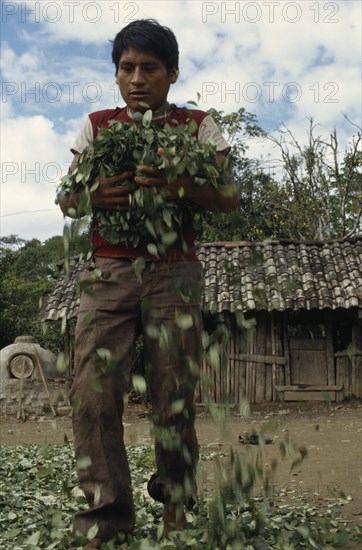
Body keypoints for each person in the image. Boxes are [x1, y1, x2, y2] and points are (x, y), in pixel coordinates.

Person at [58, 18, 239, 548]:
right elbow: (66, 199)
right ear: (116, 75)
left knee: (174, 394)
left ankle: (176, 506)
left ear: (172, 73)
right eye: (126, 68)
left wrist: (181, 185)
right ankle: (106, 519)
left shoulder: (199, 126)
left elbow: (228, 197)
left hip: (174, 272)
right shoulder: (96, 126)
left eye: (149, 68)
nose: (137, 78)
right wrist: (91, 198)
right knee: (92, 395)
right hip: (108, 273)